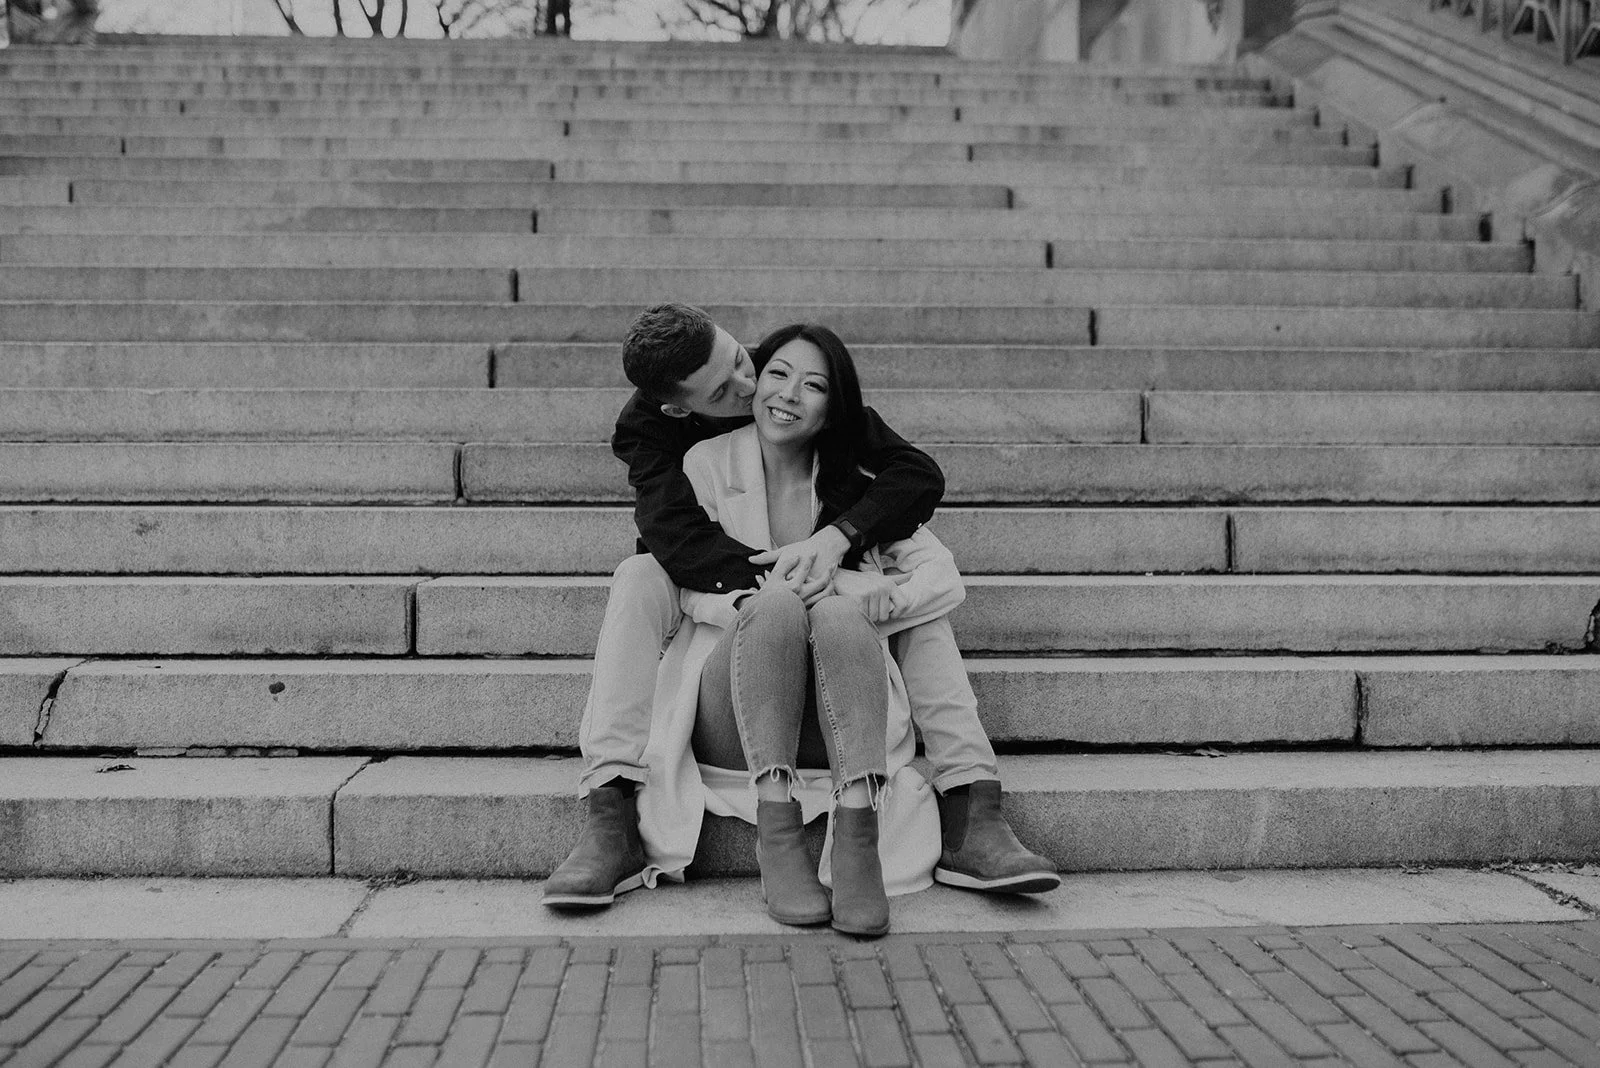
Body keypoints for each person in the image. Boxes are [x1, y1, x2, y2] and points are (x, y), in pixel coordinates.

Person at [541, 303, 1058, 909]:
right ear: (682, 408)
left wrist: (840, 544)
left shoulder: (831, 442)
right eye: (726, 389)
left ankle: (973, 807)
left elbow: (920, 492)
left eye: (745, 360)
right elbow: (675, 545)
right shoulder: (681, 454)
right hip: (737, 687)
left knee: (905, 604)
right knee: (639, 574)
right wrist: (804, 584)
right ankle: (610, 811)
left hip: (846, 698)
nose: (754, 385)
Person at [643, 323, 966, 936]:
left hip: (841, 719)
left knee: (839, 611)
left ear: (833, 408)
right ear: (755, 382)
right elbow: (686, 583)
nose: (789, 394)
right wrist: (773, 596)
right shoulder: (705, 463)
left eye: (814, 385)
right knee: (777, 607)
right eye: (777, 374)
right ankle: (779, 836)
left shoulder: (858, 484)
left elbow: (943, 577)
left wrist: (848, 581)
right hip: (736, 713)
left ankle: (858, 841)